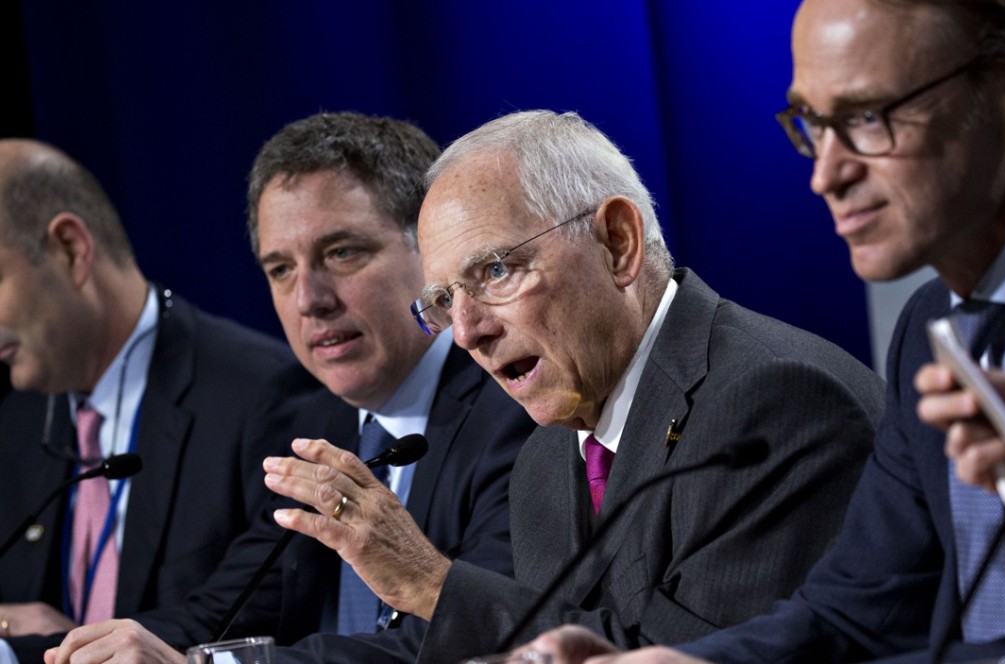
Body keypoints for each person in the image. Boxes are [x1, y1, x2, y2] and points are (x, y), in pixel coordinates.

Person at [259, 108, 885, 664]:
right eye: (446, 300)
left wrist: (433, 585)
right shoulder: (547, 458)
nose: (469, 331)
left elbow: (694, 656)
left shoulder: (773, 403)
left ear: (618, 243)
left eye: (496, 270)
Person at [524, 0, 1005, 661]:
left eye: (870, 117)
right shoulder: (930, 328)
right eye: (813, 124)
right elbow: (854, 613)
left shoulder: (778, 387)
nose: (827, 173)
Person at [44, 112, 534, 664]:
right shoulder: (311, 427)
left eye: (341, 253)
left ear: (427, 248)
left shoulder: (513, 412)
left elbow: (480, 638)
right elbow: (220, 612)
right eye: (281, 269)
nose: (309, 299)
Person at [0, 139, 317, 663]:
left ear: (71, 249)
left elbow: (238, 622)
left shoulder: (265, 394)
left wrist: (23, 650)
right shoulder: (17, 422)